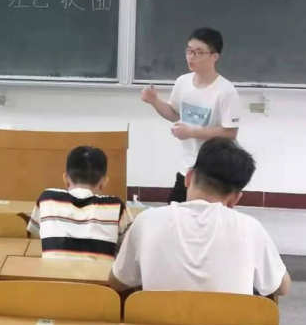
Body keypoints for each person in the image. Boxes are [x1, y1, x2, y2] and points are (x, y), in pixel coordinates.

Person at [109, 138, 290, 298]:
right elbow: (282, 287)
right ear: (235, 199)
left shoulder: (147, 221)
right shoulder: (250, 228)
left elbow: (117, 281)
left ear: (188, 177)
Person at [141, 27, 242, 203]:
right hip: (186, 166)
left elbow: (230, 132)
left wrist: (192, 132)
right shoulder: (183, 82)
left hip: (212, 171)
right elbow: (174, 114)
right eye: (189, 51)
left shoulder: (226, 91)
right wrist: (154, 101)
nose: (191, 57)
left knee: (205, 216)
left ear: (214, 56)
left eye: (199, 52)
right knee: (175, 212)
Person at [27, 146, 132, 260]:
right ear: (103, 183)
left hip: (53, 271)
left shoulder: (47, 199)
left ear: (66, 179)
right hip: (100, 272)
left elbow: (36, 233)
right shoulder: (117, 207)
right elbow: (129, 245)